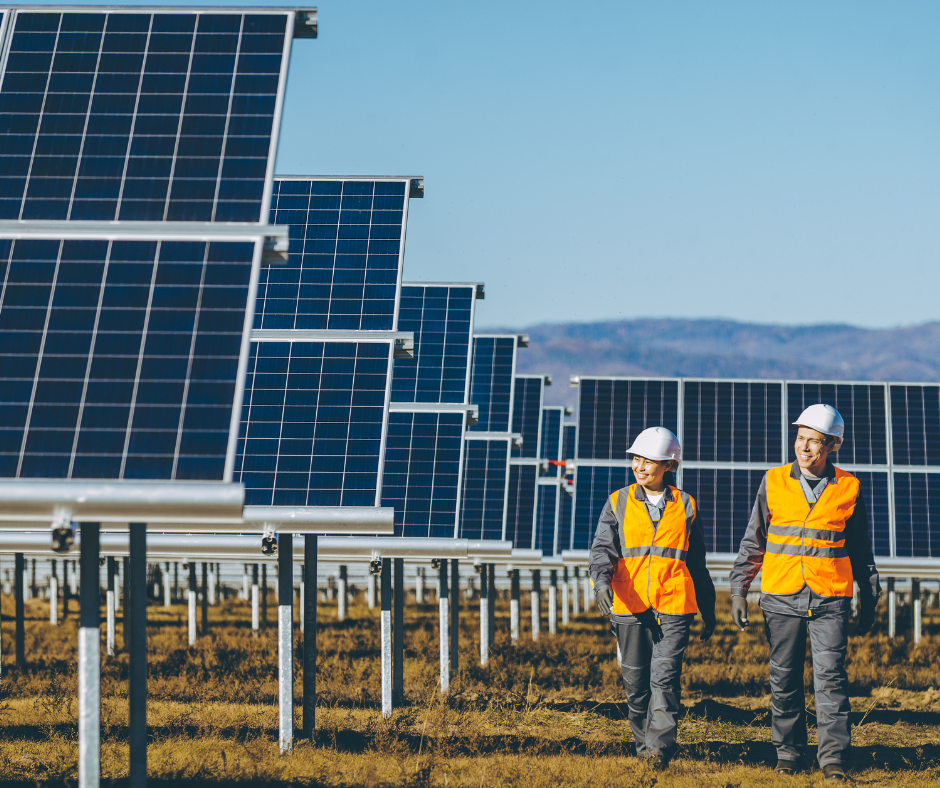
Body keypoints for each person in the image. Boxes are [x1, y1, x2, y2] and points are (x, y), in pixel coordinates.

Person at [730, 404, 880, 782]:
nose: (805, 448)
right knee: (784, 679)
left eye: (814, 441)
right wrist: (738, 590)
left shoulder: (849, 487)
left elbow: (861, 549)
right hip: (781, 597)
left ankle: (833, 759)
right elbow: (754, 542)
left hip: (830, 598)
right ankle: (789, 753)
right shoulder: (774, 481)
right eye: (800, 438)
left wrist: (870, 594)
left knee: (831, 680)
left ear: (832, 445)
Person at [589, 427, 716, 768]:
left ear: (669, 465)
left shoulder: (686, 505)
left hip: (674, 606)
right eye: (636, 459)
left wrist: (708, 605)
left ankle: (657, 751)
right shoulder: (618, 501)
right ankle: (643, 744)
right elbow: (602, 551)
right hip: (630, 606)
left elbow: (697, 560)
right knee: (636, 683)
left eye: (649, 461)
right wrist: (601, 584)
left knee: (665, 678)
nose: (640, 466)